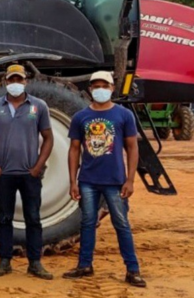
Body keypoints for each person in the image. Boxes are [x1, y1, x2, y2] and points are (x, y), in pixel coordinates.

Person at [62, 71, 146, 287]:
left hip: (115, 181)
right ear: (90, 89)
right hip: (88, 180)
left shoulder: (123, 115)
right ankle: (84, 265)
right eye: (96, 85)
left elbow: (132, 147)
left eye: (104, 85)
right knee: (87, 223)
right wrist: (73, 180)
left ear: (111, 88)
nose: (100, 89)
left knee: (122, 224)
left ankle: (132, 270)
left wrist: (130, 180)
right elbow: (73, 150)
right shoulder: (81, 117)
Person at [0, 65, 54, 280]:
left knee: (33, 218)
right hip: (4, 175)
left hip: (30, 174)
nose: (15, 84)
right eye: (11, 79)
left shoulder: (38, 106)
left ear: (25, 82)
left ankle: (35, 263)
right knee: (4, 218)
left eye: (19, 80)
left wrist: (38, 166)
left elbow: (48, 138)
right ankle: (4, 261)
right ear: (5, 81)